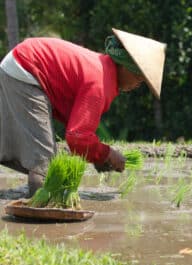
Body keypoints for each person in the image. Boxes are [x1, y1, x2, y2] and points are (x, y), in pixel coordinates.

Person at [0, 28, 166, 197]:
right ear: (124, 66)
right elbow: (77, 136)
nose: (137, 85)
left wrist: (98, 158)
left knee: (38, 153)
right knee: (44, 164)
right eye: (138, 77)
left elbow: (77, 129)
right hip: (26, 68)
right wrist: (107, 153)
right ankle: (42, 211)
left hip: (20, 62)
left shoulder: (102, 70)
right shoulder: (100, 82)